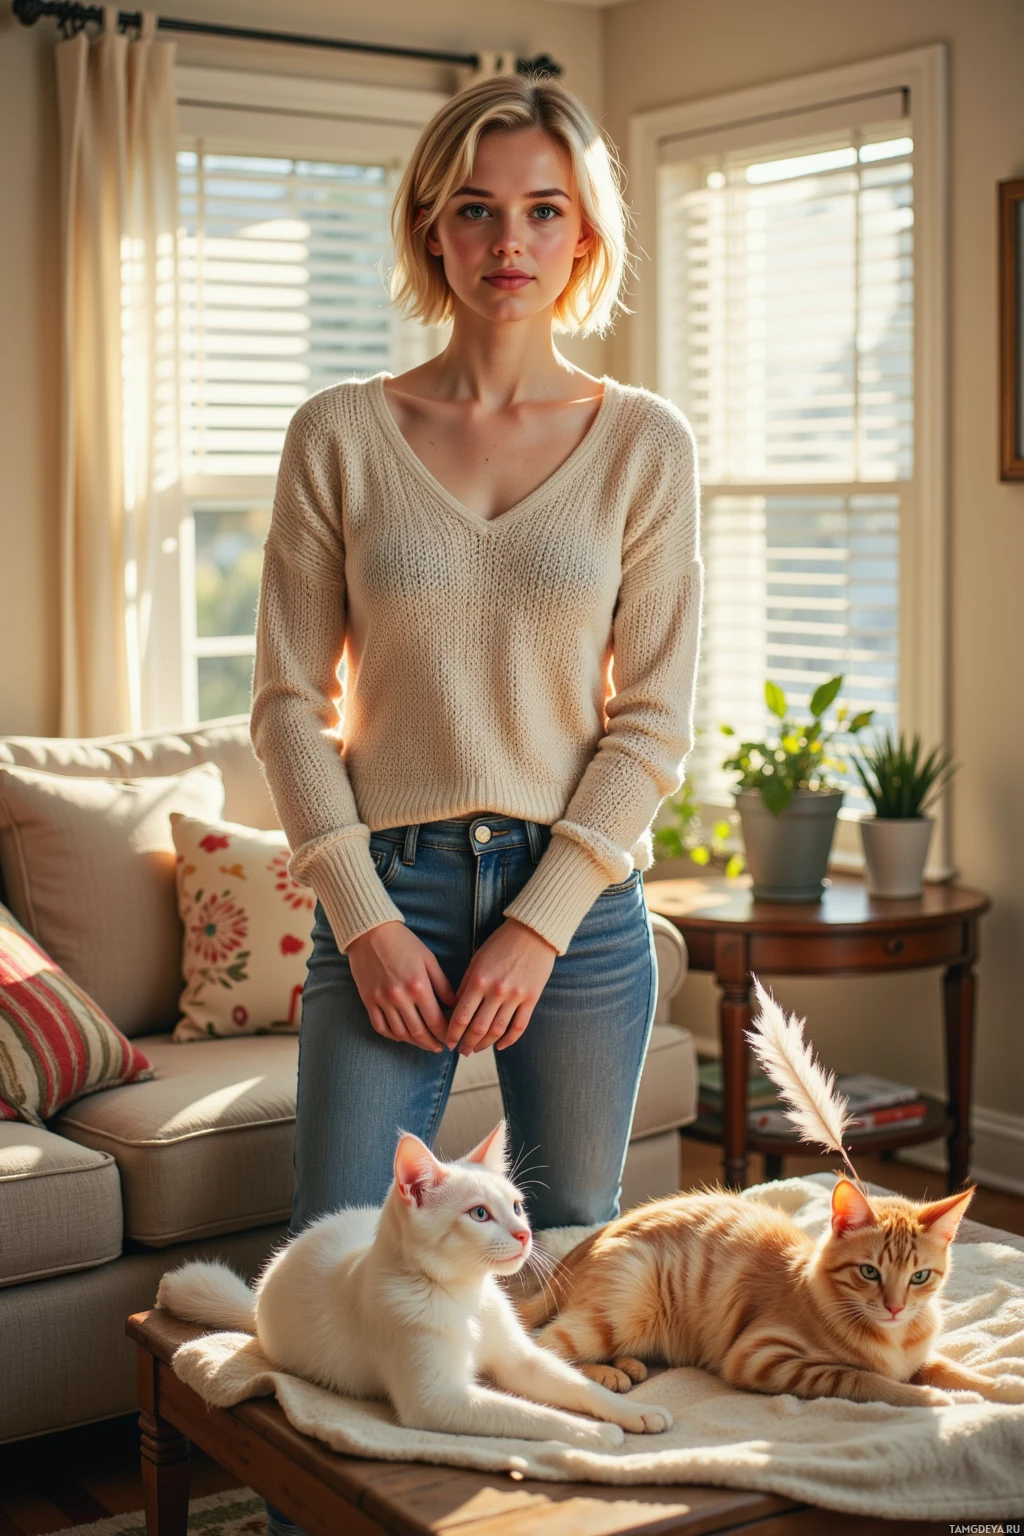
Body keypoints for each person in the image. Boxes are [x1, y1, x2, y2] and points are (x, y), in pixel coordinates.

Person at [250, 71, 703, 1536]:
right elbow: (285, 707)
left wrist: (541, 925)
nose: (510, 239)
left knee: (569, 1282)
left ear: (583, 238)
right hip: (387, 899)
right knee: (332, 1283)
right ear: (432, 232)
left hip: (575, 921)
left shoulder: (645, 445)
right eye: (476, 210)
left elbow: (654, 719)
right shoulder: (339, 432)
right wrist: (368, 921)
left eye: (543, 211)